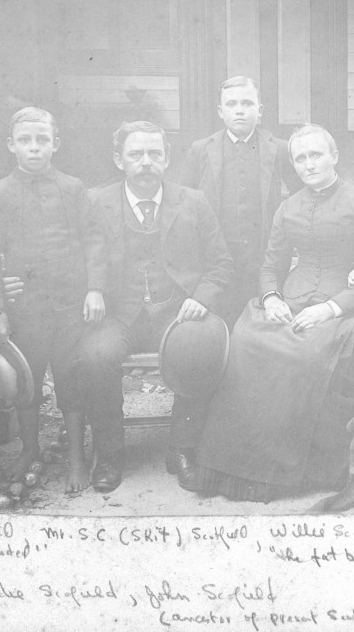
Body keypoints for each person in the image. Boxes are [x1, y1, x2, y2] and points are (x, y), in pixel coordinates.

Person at [187, 124, 354, 501]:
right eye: (300, 157)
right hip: (293, 300)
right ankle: (238, 466)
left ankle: (287, 470)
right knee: (246, 342)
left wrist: (329, 309)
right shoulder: (289, 206)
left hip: (343, 305)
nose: (309, 164)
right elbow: (271, 265)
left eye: (316, 155)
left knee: (308, 353)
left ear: (334, 157)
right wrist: (271, 297)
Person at [77, 120, 233, 492]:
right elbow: (80, 255)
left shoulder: (193, 201)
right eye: (136, 154)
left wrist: (200, 298)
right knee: (96, 354)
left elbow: (221, 263)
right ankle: (110, 453)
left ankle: (182, 448)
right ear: (119, 160)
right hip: (119, 312)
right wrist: (92, 289)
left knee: (200, 347)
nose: (146, 162)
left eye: (154, 154)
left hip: (175, 312)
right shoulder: (96, 201)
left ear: (167, 159)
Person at [0, 106, 106, 494]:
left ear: (55, 144)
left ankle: (78, 460)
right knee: (26, 382)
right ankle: (29, 450)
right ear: (11, 145)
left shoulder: (72, 188)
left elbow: (93, 241)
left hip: (70, 307)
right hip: (25, 309)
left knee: (71, 378)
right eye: (26, 141)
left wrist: (95, 287)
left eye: (42, 140)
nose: (35, 148)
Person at [179, 76, 301, 326]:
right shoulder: (201, 149)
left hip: (263, 257)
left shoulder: (278, 149)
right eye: (232, 104)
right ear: (220, 112)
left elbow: (300, 198)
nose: (240, 110)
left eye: (247, 103)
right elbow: (184, 202)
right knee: (217, 322)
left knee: (259, 324)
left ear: (260, 111)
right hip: (215, 259)